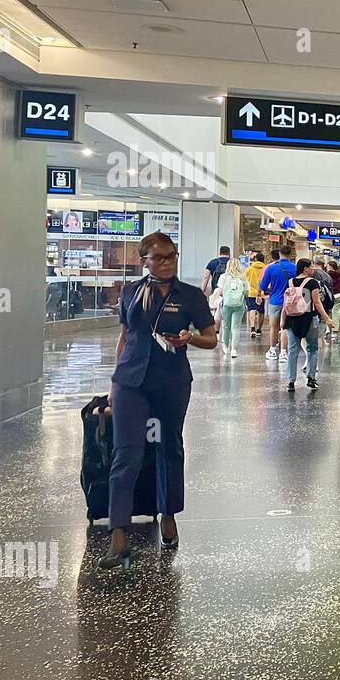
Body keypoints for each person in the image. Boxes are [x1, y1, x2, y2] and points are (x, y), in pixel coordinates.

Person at [101, 231, 217, 571]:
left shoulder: (192, 295)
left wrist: (191, 338)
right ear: (144, 260)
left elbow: (211, 338)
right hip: (130, 381)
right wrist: (113, 381)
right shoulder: (130, 292)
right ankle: (118, 533)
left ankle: (168, 514)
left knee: (171, 448)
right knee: (126, 454)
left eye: (172, 256)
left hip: (171, 381)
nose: (167, 263)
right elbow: (125, 337)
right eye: (159, 258)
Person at [282, 258, 331, 391]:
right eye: (311, 266)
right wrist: (327, 318)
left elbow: (285, 304)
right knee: (312, 348)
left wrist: (283, 320)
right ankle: (311, 378)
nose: (313, 269)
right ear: (305, 268)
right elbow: (317, 302)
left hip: (292, 319)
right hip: (309, 318)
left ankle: (291, 382)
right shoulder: (312, 282)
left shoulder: (290, 282)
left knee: (293, 350)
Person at [260, 245, 295, 364]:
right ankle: (284, 353)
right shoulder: (294, 268)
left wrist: (271, 291)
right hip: (289, 302)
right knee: (285, 327)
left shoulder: (271, 268)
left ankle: (272, 351)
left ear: (279, 254)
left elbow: (263, 286)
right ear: (290, 254)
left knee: (273, 326)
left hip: (274, 301)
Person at [216, 256, 249, 359]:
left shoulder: (223, 277)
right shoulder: (243, 277)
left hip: (226, 305)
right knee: (236, 327)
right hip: (239, 305)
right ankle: (234, 349)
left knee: (226, 326)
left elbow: (220, 292)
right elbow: (247, 292)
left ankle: (225, 347)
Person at [245, 251, 266, 338]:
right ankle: (259, 329)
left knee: (252, 309)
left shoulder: (249, 268)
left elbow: (245, 279)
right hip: (261, 293)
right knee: (261, 311)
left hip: (251, 292)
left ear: (255, 259)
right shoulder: (265, 268)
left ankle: (252, 328)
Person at [325, 258, 340, 340]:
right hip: (339, 294)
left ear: (330, 266)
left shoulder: (327, 274)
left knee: (328, 312)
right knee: (336, 313)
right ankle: (335, 330)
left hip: (331, 295)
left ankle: (328, 328)